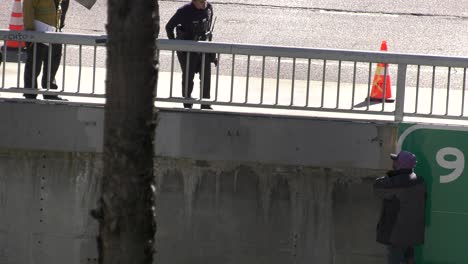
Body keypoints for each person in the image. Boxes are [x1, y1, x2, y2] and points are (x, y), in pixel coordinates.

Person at [374, 150, 426, 264]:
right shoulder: (420, 181)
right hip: (412, 231)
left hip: (397, 232)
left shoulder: (395, 183)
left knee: (395, 259)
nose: (394, 163)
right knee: (409, 259)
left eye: (396, 161)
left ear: (399, 165)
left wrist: (391, 175)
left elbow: (378, 186)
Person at [165, 0, 217, 109]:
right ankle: (187, 103)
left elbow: (207, 30)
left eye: (205, 2)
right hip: (188, 51)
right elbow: (169, 27)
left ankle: (205, 104)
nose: (204, 5)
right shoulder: (184, 11)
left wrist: (212, 54)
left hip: (204, 49)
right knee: (188, 77)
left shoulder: (208, 8)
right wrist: (176, 45)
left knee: (206, 77)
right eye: (201, 2)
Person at [23, 0, 69, 100]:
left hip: (55, 31)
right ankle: (30, 93)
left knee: (53, 63)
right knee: (34, 63)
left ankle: (50, 91)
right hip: (38, 32)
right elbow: (28, 8)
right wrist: (30, 32)